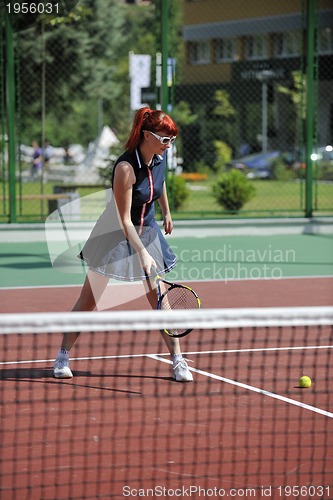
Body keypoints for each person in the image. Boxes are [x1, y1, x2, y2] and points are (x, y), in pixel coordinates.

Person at [53, 107, 193, 382]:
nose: (169, 145)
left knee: (160, 299)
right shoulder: (125, 168)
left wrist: (166, 212)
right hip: (115, 232)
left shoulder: (159, 158)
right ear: (146, 135)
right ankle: (62, 355)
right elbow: (123, 220)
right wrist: (142, 253)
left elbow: (159, 186)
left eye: (171, 140)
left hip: (148, 230)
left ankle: (178, 360)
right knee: (89, 300)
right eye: (165, 139)